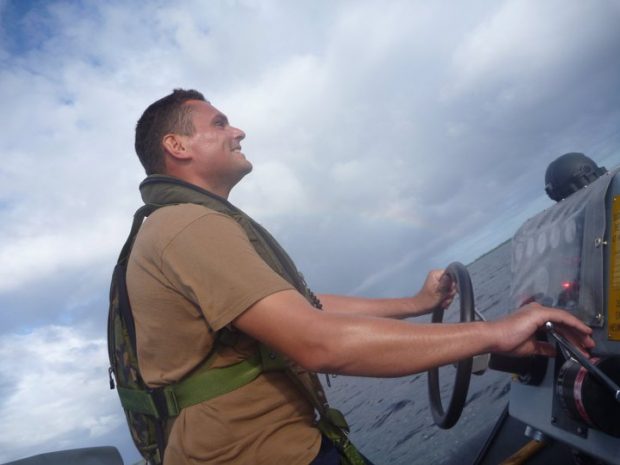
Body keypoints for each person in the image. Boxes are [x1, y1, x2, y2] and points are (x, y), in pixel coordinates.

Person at [126, 89, 595, 465]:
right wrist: (493, 333)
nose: (239, 130)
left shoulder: (182, 224)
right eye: (220, 123)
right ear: (177, 146)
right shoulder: (188, 226)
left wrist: (419, 304)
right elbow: (320, 342)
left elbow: (305, 306)